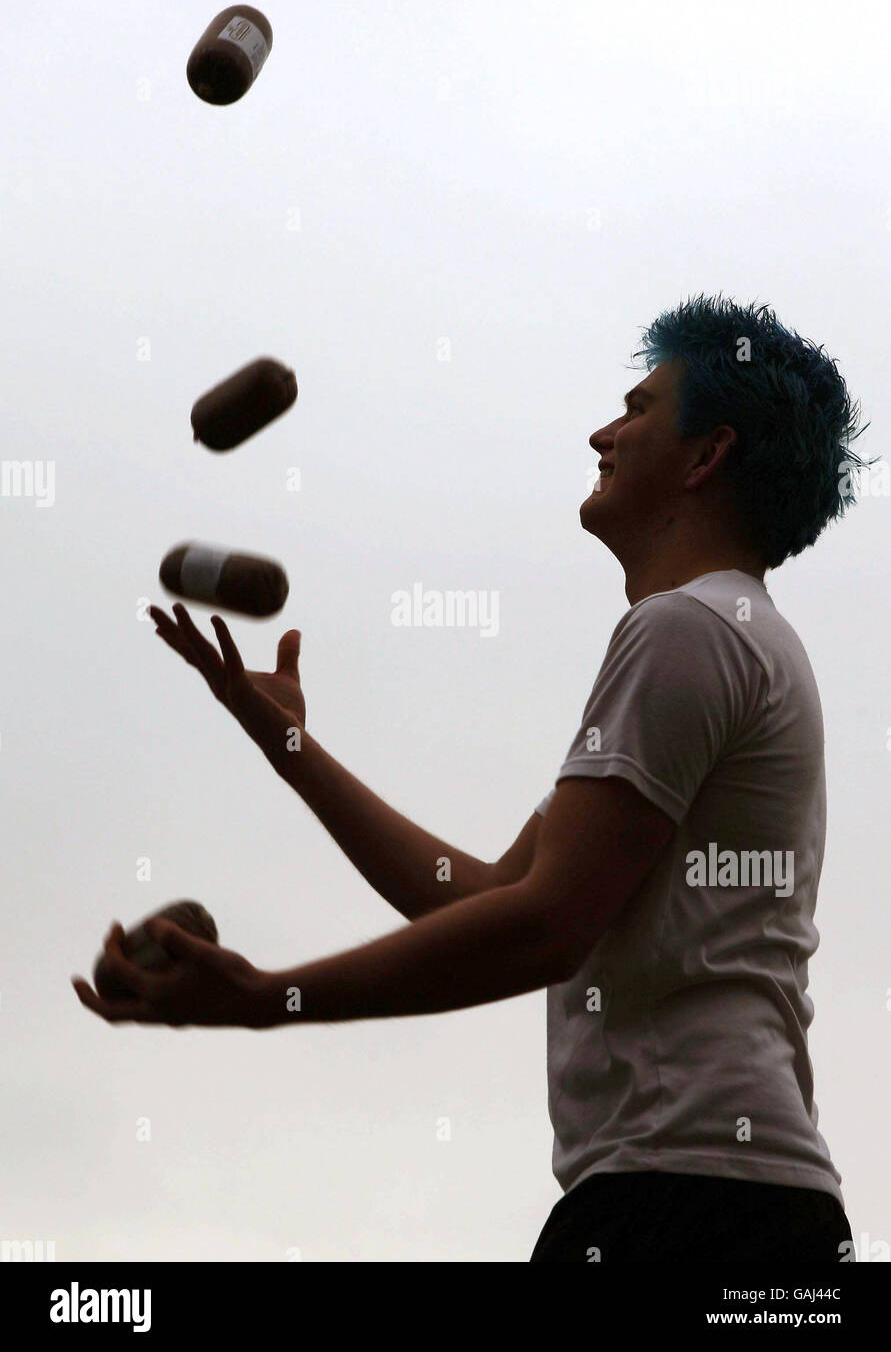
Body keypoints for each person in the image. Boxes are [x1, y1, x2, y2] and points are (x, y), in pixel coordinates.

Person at [74, 292, 871, 1262]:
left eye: (639, 407)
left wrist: (267, 996)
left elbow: (545, 926)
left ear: (706, 457)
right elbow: (480, 895)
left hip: (688, 1200)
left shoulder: (687, 631)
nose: (602, 431)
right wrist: (288, 746)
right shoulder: (726, 635)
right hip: (728, 1198)